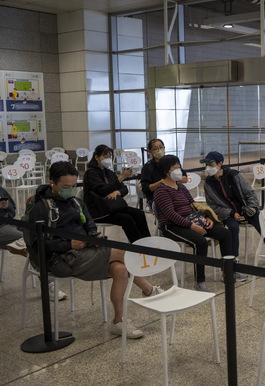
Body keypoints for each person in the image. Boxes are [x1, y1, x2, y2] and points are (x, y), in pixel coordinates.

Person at [27, 161, 162, 338]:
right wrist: (69, 244)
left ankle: (118, 322)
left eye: (74, 185)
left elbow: (89, 223)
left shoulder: (76, 202)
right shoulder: (40, 208)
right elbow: (37, 245)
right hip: (62, 257)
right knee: (124, 253)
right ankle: (149, 290)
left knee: (120, 269)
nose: (70, 189)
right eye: (66, 186)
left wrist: (93, 236)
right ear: (52, 182)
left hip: (85, 250)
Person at [153, 155, 234, 292]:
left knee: (225, 233)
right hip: (172, 226)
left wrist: (205, 218)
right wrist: (191, 226)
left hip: (192, 220)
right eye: (175, 168)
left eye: (179, 167)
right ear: (166, 171)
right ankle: (200, 282)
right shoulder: (161, 190)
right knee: (200, 241)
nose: (179, 170)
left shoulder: (181, 187)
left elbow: (193, 205)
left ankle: (227, 272)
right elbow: (171, 215)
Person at [202, 151, 265, 262]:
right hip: (227, 214)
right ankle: (233, 259)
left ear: (220, 164)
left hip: (245, 209)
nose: (208, 167)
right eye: (206, 165)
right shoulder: (208, 184)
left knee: (260, 219)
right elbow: (213, 206)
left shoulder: (234, 175)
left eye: (211, 164)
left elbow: (249, 193)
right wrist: (232, 213)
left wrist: (252, 207)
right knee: (233, 227)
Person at [1, 186, 68, 300]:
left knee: (34, 233)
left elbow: (12, 209)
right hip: (2, 227)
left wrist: (6, 207)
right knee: (30, 239)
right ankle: (47, 284)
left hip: (8, 223)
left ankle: (47, 271)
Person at [83, 145, 151, 243]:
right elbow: (102, 190)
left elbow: (124, 189)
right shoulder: (91, 173)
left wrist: (117, 192)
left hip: (113, 206)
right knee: (126, 219)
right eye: (105, 156)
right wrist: (121, 178)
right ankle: (138, 246)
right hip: (99, 209)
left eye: (109, 156)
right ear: (96, 157)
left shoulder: (109, 172)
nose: (108, 159)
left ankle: (147, 242)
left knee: (139, 213)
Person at [140, 139, 187, 206]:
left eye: (161, 147)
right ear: (150, 151)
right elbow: (146, 188)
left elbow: (185, 179)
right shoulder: (147, 167)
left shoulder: (171, 162)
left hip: (175, 193)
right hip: (158, 197)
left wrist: (174, 177)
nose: (159, 150)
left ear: (164, 148)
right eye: (155, 149)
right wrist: (163, 182)